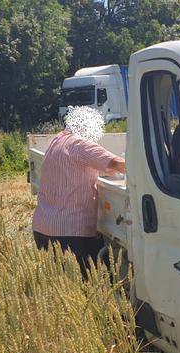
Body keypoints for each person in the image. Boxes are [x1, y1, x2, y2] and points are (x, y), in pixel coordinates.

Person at [32, 107, 126, 278]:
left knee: (59, 285)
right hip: (70, 233)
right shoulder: (81, 144)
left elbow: (82, 167)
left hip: (43, 226)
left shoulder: (57, 141)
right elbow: (115, 163)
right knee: (88, 285)